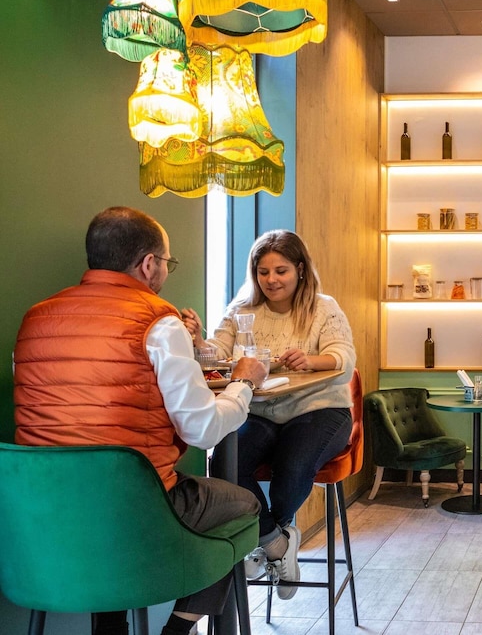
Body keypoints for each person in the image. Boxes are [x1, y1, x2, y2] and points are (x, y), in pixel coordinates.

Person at [13, 206, 266, 635]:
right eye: (167, 262)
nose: (165, 270)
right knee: (243, 506)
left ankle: (109, 628)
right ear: (148, 264)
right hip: (134, 512)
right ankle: (176, 631)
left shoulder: (35, 317)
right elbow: (201, 429)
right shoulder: (158, 321)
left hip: (41, 516)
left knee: (102, 516)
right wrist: (243, 382)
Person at [183, 229, 356, 600]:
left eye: (281, 271)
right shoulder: (241, 309)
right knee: (226, 463)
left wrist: (311, 360)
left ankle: (267, 538)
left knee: (292, 465)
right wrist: (197, 341)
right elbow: (217, 355)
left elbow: (343, 358)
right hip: (260, 408)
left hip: (320, 407)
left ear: (300, 269)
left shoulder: (323, 307)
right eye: (263, 272)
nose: (271, 280)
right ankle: (277, 541)